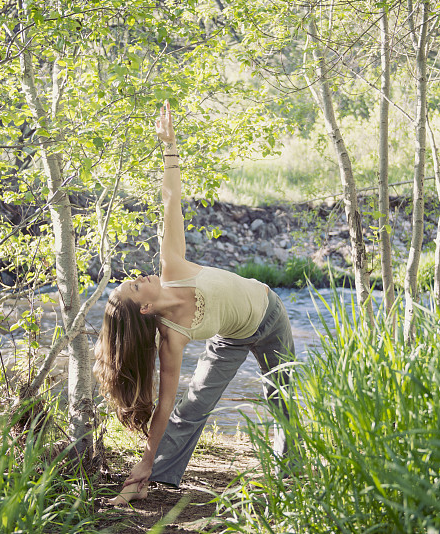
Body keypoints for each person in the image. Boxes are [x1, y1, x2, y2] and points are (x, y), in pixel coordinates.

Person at [94, 102, 294, 506]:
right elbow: (165, 404)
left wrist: (169, 147)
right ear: (145, 310)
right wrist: (144, 460)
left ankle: (289, 473)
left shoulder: (173, 266)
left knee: (282, 396)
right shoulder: (172, 338)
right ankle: (158, 477)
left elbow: (172, 201)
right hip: (232, 338)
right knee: (191, 406)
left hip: (271, 314)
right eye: (135, 287)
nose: (139, 276)